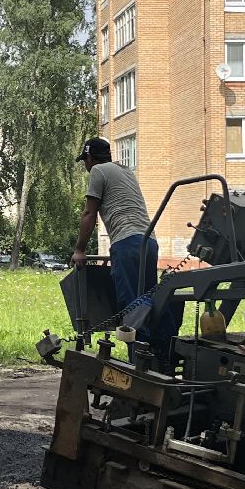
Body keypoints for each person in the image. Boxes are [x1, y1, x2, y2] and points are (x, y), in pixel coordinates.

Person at [71, 138, 178, 362]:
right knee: (148, 300)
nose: (85, 165)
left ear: (90, 157)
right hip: (148, 242)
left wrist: (80, 250)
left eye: (85, 160)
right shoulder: (126, 171)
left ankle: (139, 364)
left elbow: (89, 213)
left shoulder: (98, 171)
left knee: (132, 305)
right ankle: (160, 354)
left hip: (126, 243)